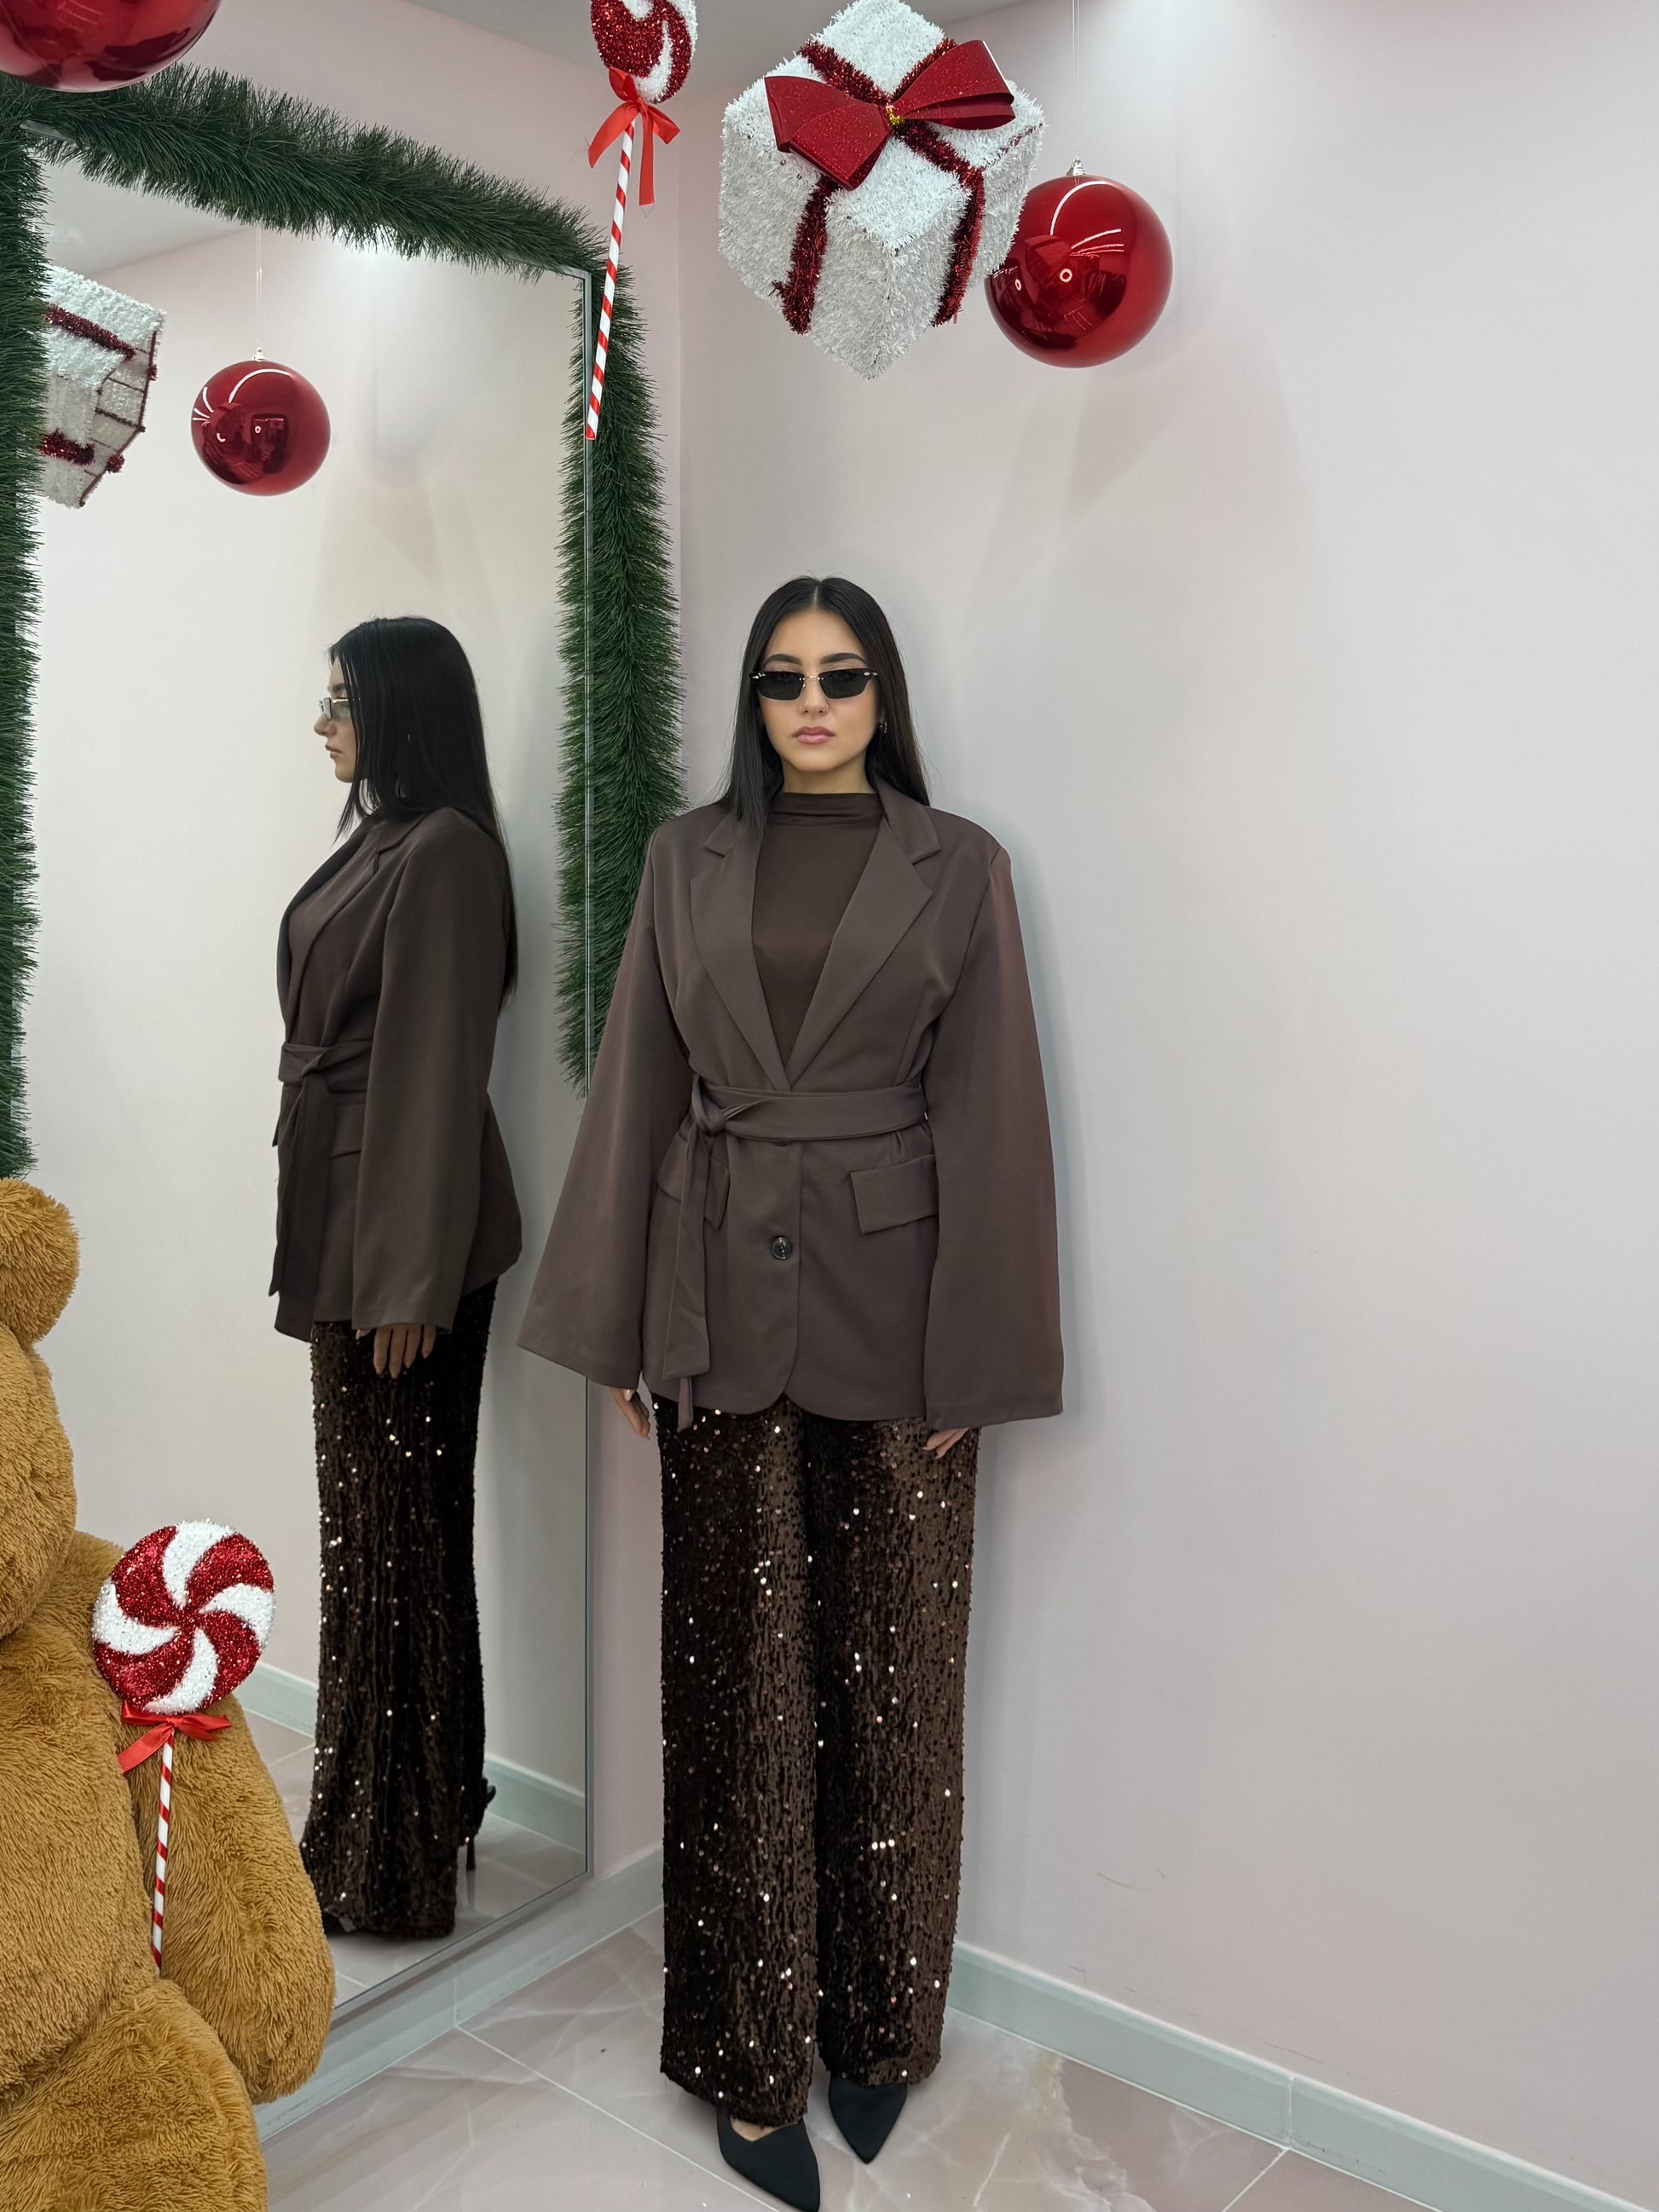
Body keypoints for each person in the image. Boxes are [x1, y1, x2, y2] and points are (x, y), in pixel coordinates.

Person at [519, 576, 1062, 2209]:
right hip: (712, 1303)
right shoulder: (684, 858)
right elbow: (637, 1082)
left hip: (903, 1319)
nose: (811, 703)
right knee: (734, 1695)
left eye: (840, 676)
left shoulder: (958, 863)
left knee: (894, 1682)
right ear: (752, 701)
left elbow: (994, 1112)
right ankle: (746, 2056)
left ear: (882, 695)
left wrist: (983, 1354)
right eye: (780, 678)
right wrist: (619, 1323)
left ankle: (882, 2027)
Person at [274, 615, 522, 1940]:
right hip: (351, 1226)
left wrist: (411, 1286)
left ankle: (388, 1858)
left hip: (399, 1255)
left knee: (393, 1548)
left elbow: (435, 1069)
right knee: (379, 1543)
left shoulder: (445, 854)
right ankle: (417, 1813)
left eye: (342, 701)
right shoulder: (385, 840)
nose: (324, 725)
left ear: (401, 710)